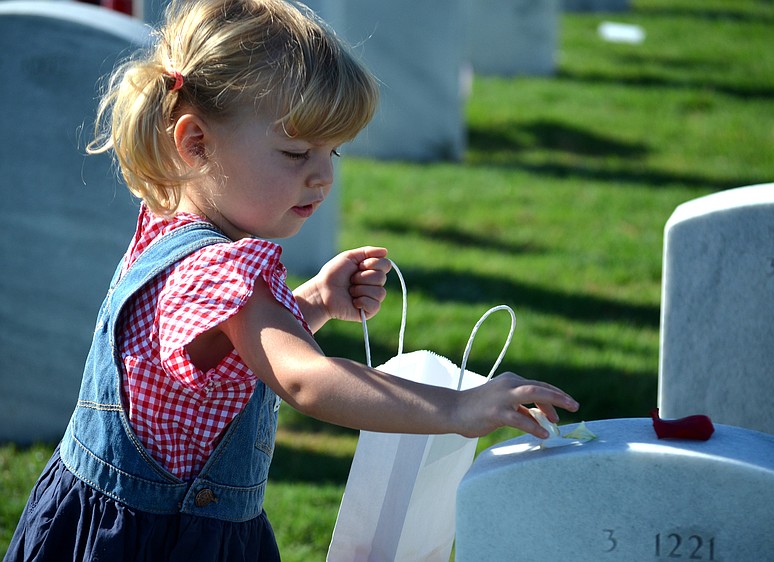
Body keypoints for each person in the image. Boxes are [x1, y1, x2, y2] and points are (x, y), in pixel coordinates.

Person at [4, 1, 579, 560]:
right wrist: (459, 408)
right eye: (296, 152)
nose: (323, 176)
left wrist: (312, 304)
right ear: (196, 142)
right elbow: (305, 379)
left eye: (334, 152)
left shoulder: (166, 232)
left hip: (96, 520)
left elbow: (227, 351)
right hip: (163, 539)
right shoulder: (226, 269)